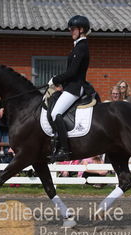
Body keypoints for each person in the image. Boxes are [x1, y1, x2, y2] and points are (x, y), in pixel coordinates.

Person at [48, 15, 95, 162]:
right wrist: (61, 83)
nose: (71, 32)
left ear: (81, 30)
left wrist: (56, 79)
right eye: (71, 29)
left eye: (73, 29)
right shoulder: (78, 46)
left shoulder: (81, 47)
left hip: (75, 88)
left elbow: (73, 72)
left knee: (56, 113)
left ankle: (64, 149)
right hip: (70, 86)